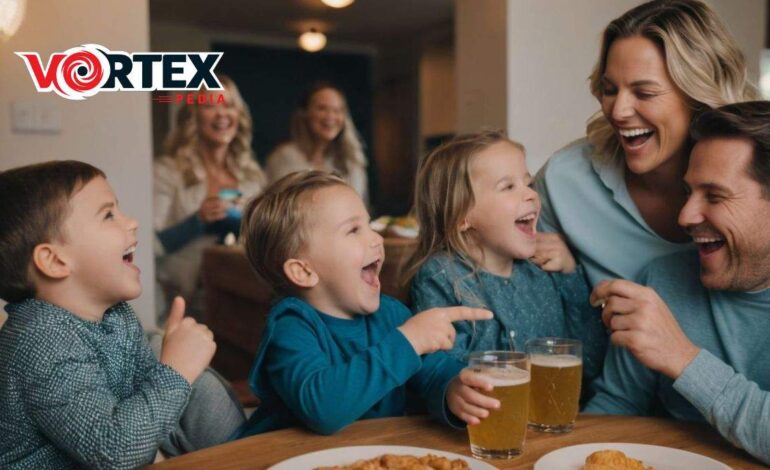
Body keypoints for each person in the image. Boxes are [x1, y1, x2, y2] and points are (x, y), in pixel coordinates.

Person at [0, 161, 245, 468]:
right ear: (54, 260)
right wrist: (177, 369)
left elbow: (150, 407)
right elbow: (114, 453)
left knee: (190, 377)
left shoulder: (116, 315)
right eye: (108, 215)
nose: (132, 223)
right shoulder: (39, 340)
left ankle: (246, 452)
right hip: (113, 456)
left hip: (130, 450)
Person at [236, 171, 501, 436]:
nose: (377, 238)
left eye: (370, 225)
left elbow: (432, 372)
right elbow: (323, 409)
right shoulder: (292, 328)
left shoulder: (391, 314)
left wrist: (453, 388)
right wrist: (407, 342)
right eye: (353, 230)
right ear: (303, 271)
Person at [585, 102, 770, 464]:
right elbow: (615, 408)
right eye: (689, 193)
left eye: (714, 196)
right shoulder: (663, 280)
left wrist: (683, 358)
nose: (685, 216)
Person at [533, 0, 756, 287]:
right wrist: (571, 273)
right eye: (610, 90)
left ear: (698, 96)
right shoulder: (563, 180)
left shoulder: (757, 183)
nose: (618, 111)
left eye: (645, 93)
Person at [406, 130, 606, 390]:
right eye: (508, 186)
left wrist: (570, 274)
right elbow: (442, 374)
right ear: (462, 216)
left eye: (529, 183)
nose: (532, 195)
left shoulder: (545, 271)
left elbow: (591, 362)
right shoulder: (441, 277)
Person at [154, 75, 266, 317]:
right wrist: (198, 222)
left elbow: (265, 240)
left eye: (228, 105)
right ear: (193, 114)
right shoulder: (167, 171)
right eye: (210, 105)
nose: (221, 114)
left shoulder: (252, 176)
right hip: (181, 302)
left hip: (243, 298)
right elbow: (152, 245)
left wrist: (244, 225)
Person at [265, 82, 368, 200]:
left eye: (338, 110)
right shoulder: (284, 157)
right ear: (304, 113)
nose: (331, 116)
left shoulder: (352, 159)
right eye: (322, 108)